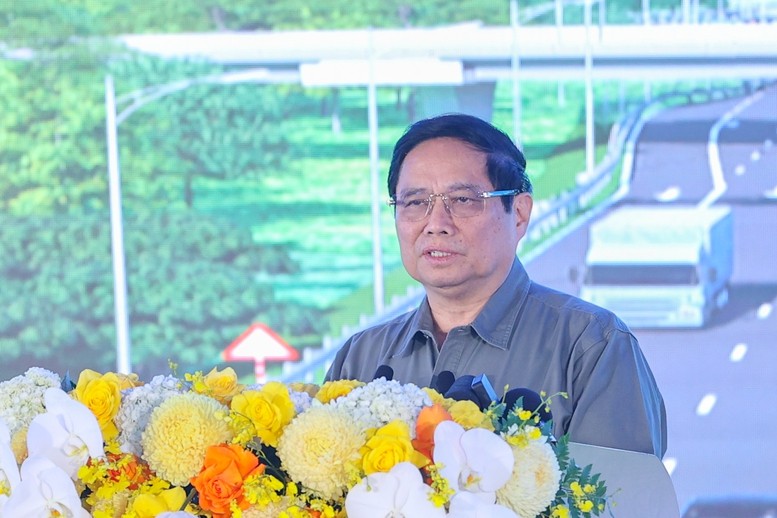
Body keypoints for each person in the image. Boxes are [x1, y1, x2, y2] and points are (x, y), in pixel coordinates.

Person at [325, 113, 666, 458]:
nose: (436, 224)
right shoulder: (360, 358)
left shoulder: (590, 345)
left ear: (518, 213)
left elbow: (620, 501)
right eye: (415, 203)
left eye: (462, 200)